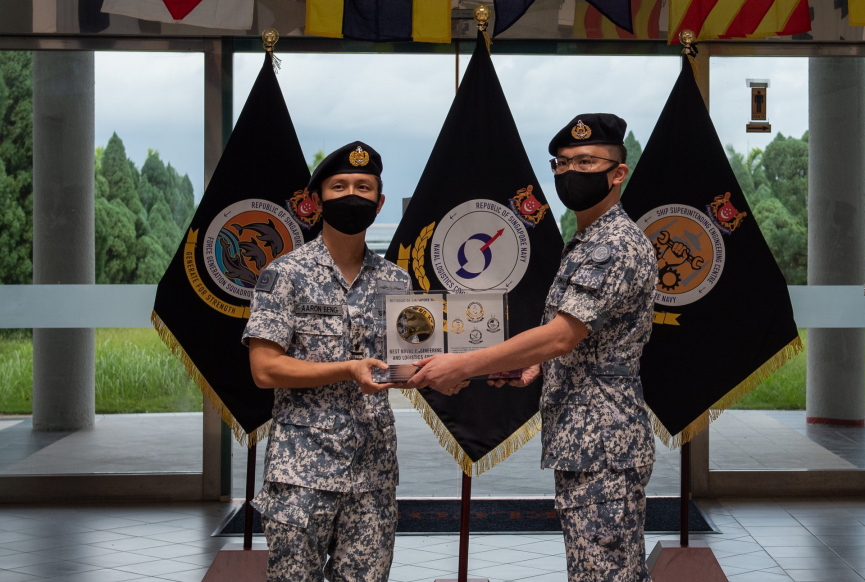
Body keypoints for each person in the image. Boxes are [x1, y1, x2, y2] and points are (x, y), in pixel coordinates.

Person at [407, 114, 658, 582]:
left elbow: (563, 335)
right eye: (562, 163)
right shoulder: (586, 241)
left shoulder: (614, 245)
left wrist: (462, 364)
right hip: (587, 439)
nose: (571, 172)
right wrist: (537, 369)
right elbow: (589, 342)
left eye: (586, 161)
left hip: (603, 442)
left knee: (606, 575)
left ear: (618, 173)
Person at [242, 141, 410, 582]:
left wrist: (451, 375)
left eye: (363, 186)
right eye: (339, 186)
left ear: (379, 202)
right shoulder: (284, 275)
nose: (352, 194)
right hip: (302, 471)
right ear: (317, 201)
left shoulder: (397, 280)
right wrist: (347, 369)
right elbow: (264, 369)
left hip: (372, 472)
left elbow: (406, 362)